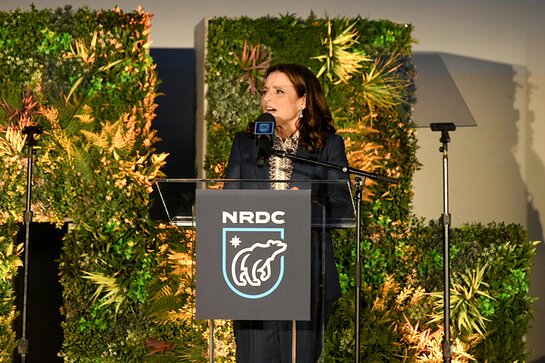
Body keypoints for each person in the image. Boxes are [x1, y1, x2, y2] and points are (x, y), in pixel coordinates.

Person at [224, 63, 353, 362]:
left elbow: (343, 211)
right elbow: (228, 206)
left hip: (307, 275)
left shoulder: (327, 146)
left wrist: (304, 205)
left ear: (303, 101)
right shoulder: (245, 144)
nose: (268, 98)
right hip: (252, 283)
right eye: (266, 91)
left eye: (279, 91)